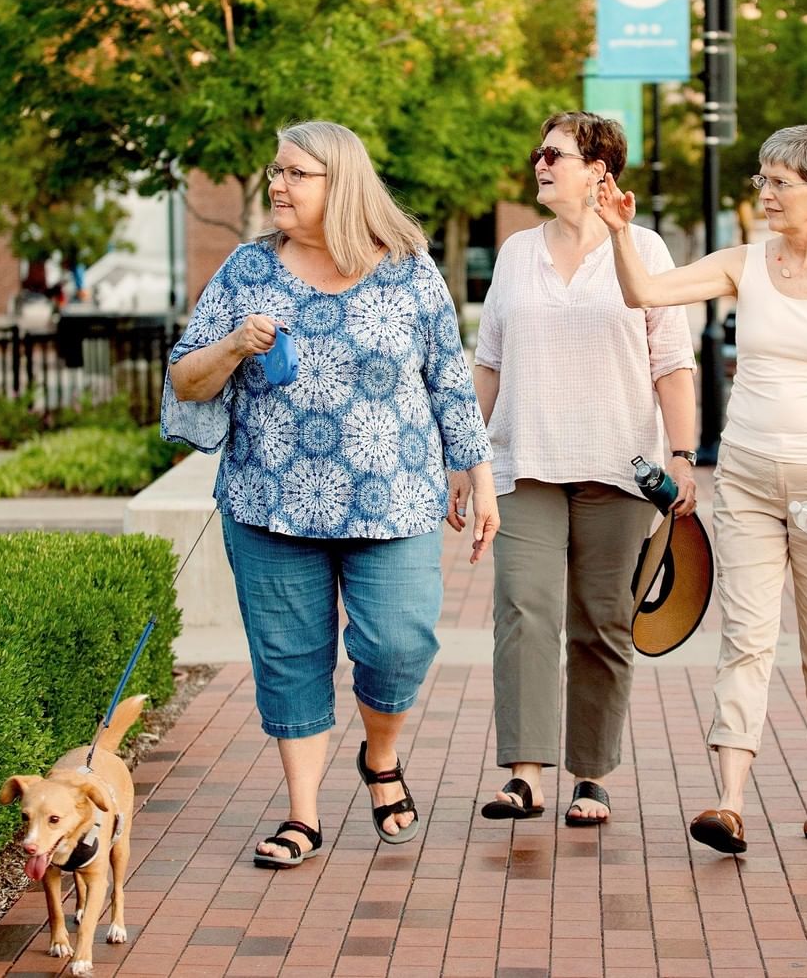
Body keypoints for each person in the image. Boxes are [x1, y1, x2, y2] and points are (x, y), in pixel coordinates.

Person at [161, 120, 497, 866]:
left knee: (399, 640)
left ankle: (380, 757)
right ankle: (303, 816)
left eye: (294, 173)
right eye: (276, 171)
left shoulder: (408, 269)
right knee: (289, 658)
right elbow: (185, 377)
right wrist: (234, 344)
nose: (276, 184)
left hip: (395, 500)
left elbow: (449, 376)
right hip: (270, 500)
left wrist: (479, 476)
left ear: (340, 183)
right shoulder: (248, 270)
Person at [596, 124, 807, 853]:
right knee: (746, 638)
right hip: (752, 479)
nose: (764, 193)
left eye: (779, 181)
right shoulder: (745, 263)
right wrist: (620, 233)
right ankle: (728, 800)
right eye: (762, 177)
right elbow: (646, 293)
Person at [466, 111, 698, 827]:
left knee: (603, 622)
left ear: (600, 169)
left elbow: (672, 362)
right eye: (538, 152)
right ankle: (526, 774)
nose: (539, 163)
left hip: (618, 465)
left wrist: (682, 456)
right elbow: (489, 361)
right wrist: (466, 460)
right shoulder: (514, 253)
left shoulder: (646, 248)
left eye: (555, 154)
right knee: (523, 610)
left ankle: (591, 774)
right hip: (524, 461)